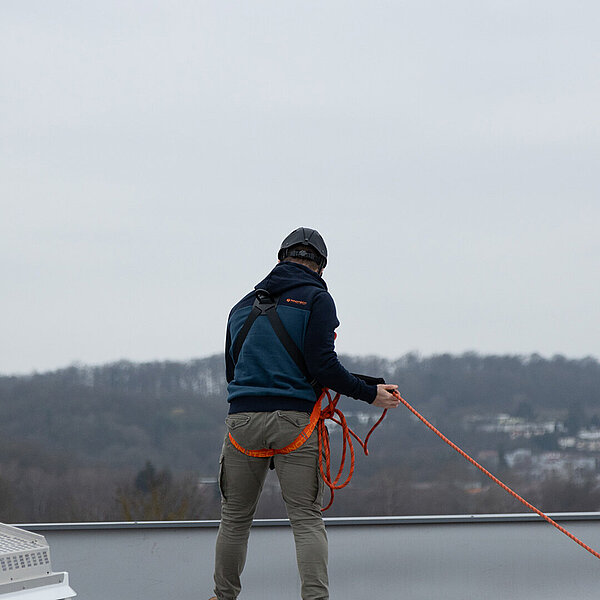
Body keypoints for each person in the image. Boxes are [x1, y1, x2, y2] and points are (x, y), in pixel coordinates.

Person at [210, 227, 400, 600]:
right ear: (321, 268)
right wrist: (369, 394)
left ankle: (222, 595)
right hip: (295, 424)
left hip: (242, 422)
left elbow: (234, 371)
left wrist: (367, 384)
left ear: (281, 259)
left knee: (234, 520)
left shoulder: (240, 307)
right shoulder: (317, 299)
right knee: (306, 520)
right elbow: (322, 365)